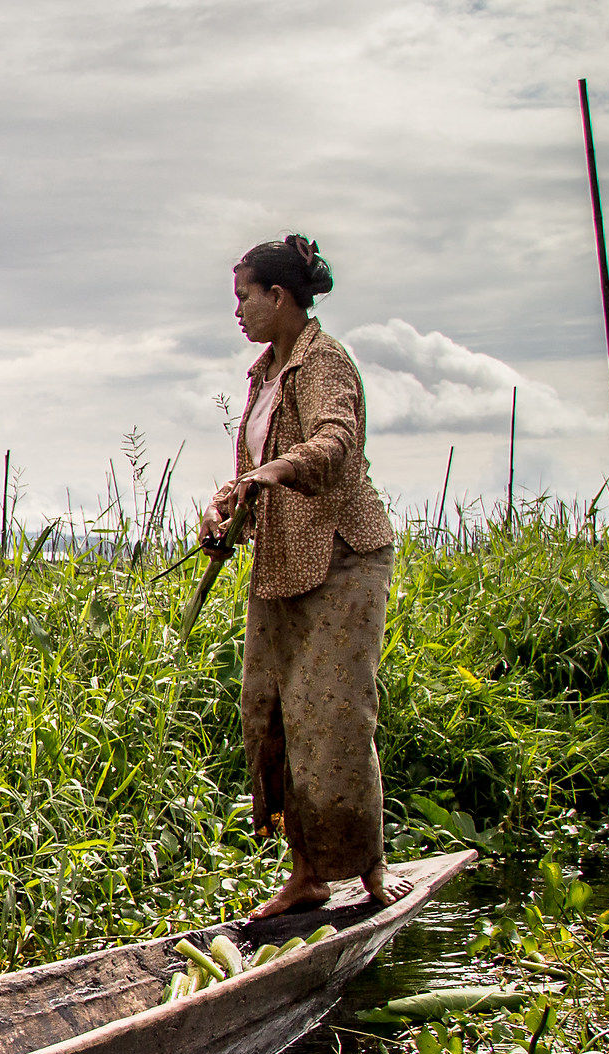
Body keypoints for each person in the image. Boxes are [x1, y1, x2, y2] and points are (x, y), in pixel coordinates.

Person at [198, 234, 408, 919]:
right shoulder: (264, 375)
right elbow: (255, 475)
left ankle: (370, 866)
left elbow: (335, 443)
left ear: (279, 297)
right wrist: (227, 510)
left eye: (244, 297)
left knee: (337, 715)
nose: (238, 311)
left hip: (344, 558)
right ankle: (306, 873)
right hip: (283, 562)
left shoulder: (323, 364)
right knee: (273, 715)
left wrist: (272, 472)